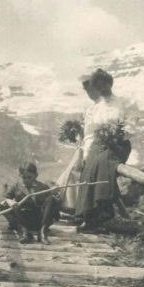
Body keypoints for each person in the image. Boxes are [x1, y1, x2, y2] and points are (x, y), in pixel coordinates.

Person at [74, 68, 134, 230]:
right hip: (98, 144)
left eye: (105, 85)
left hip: (118, 144)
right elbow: (89, 133)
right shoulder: (95, 108)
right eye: (99, 87)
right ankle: (89, 216)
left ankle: (103, 212)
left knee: (103, 162)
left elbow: (131, 122)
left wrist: (119, 134)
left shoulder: (123, 102)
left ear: (110, 83)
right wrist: (87, 152)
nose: (103, 90)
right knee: (89, 167)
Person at [55, 76, 100, 215]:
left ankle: (74, 207)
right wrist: (78, 131)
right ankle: (70, 205)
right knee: (71, 172)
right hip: (84, 144)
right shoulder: (90, 108)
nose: (89, 94)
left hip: (94, 145)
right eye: (87, 91)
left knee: (76, 171)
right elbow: (86, 128)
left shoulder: (103, 107)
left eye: (91, 90)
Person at [0, 162, 60, 244]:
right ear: (20, 176)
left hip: (39, 221)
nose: (26, 180)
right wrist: (9, 201)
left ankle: (43, 232)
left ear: (36, 175)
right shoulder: (16, 186)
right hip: (22, 220)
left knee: (51, 199)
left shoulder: (43, 187)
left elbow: (54, 207)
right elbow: (2, 198)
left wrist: (55, 195)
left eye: (29, 177)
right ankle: (24, 232)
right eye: (24, 178)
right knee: (3, 204)